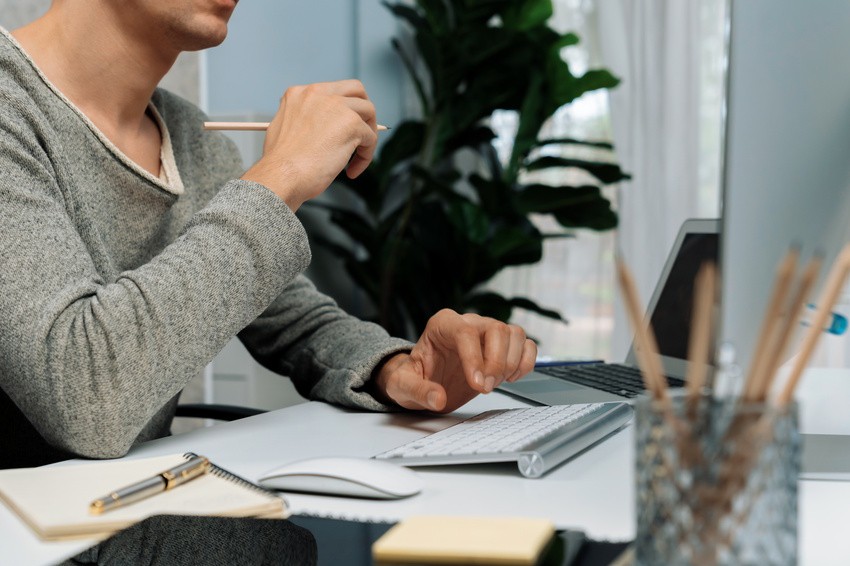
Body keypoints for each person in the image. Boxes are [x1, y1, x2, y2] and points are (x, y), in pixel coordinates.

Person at [0, 0, 537, 469]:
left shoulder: (195, 140)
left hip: (124, 522)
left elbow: (295, 324)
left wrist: (400, 370)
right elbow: (84, 398)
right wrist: (281, 176)